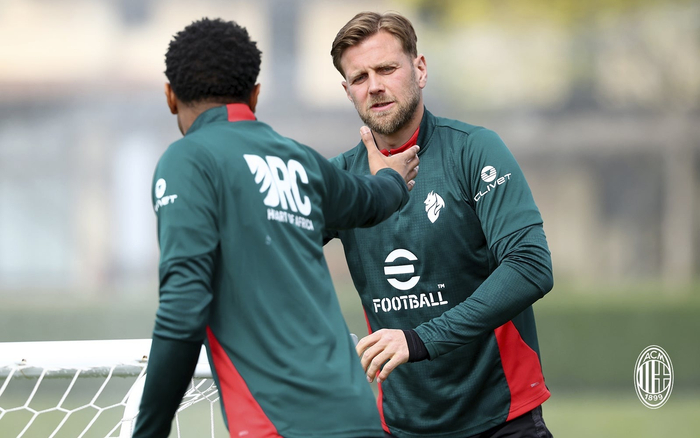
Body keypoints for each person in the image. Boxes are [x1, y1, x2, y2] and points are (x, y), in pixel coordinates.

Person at [132, 17, 420, 438]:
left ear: (170, 96)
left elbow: (183, 308)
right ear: (255, 95)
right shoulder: (299, 160)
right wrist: (393, 177)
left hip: (280, 426)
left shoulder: (188, 159)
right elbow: (372, 200)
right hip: (361, 418)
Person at [325, 11, 555, 438]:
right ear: (347, 91)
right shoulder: (340, 180)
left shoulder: (474, 150)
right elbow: (269, 248)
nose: (374, 86)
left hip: (502, 418)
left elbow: (530, 266)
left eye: (387, 69)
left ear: (420, 69)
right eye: (359, 77)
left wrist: (419, 339)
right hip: (400, 425)